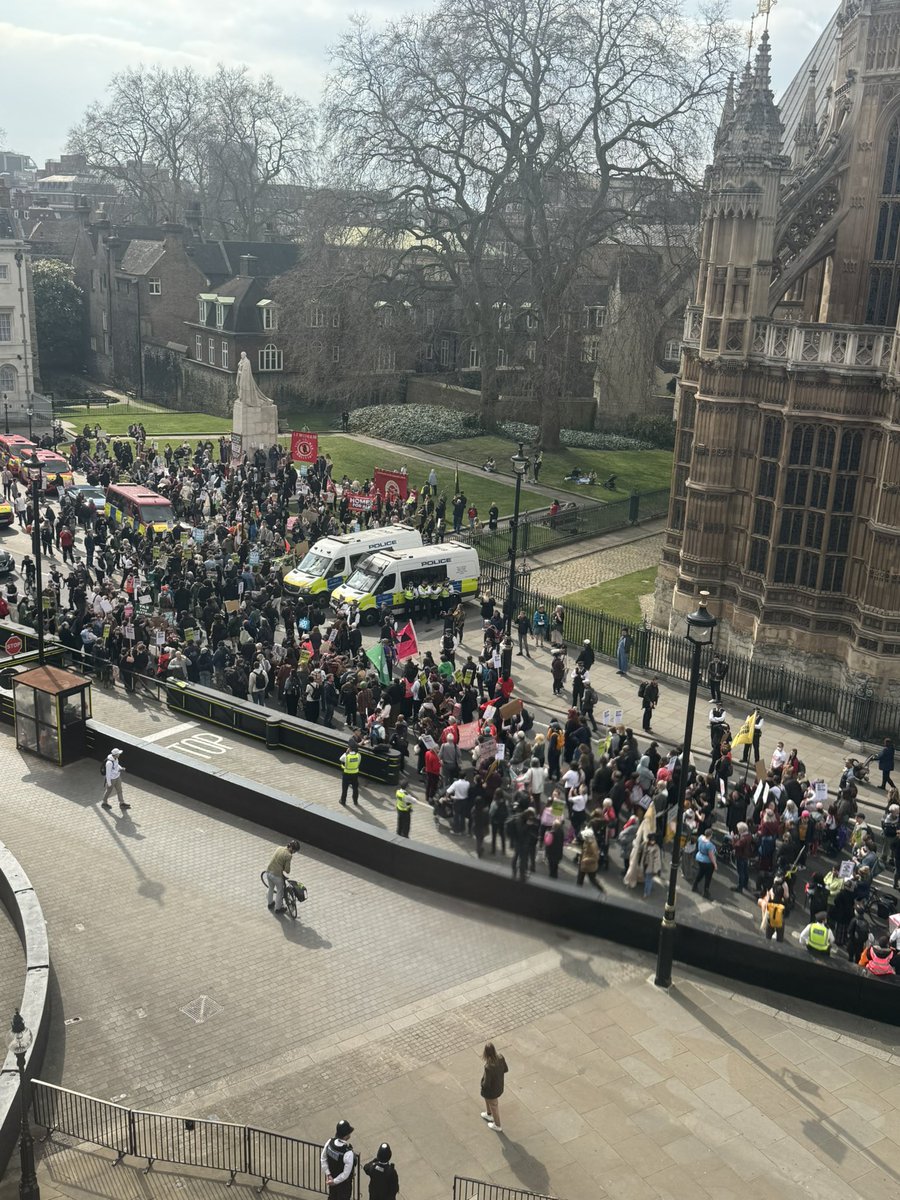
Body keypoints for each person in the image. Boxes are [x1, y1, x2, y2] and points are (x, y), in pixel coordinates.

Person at [321, 1120, 356, 1200]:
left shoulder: (330, 1142)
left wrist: (329, 1174)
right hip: (343, 1185)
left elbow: (323, 1159)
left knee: (332, 1197)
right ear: (346, 1135)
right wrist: (335, 1181)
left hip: (331, 1179)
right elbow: (345, 1174)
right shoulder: (348, 1153)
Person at [479, 1042, 508, 1132]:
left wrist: (482, 1084)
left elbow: (486, 1084)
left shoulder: (488, 1067)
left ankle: (497, 1125)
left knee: (494, 1106)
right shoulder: (500, 1057)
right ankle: (488, 1114)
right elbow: (506, 1069)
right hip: (499, 1086)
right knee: (490, 1102)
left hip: (491, 1091)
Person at [265, 839, 300, 913]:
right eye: (294, 850)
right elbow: (287, 870)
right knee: (280, 892)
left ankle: (270, 903)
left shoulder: (279, 848)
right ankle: (278, 908)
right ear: (291, 848)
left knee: (270, 888)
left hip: (268, 871)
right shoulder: (288, 855)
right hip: (276, 875)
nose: (294, 852)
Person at [100, 747, 131, 812]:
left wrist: (121, 768)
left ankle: (122, 803)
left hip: (117, 777)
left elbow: (117, 765)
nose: (119, 754)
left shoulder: (116, 759)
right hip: (111, 779)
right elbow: (108, 774)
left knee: (120, 790)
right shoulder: (109, 763)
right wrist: (109, 783)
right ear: (115, 754)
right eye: (118, 753)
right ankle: (104, 802)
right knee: (108, 791)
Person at [691, 831, 717, 900]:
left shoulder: (700, 838)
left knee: (700, 873)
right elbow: (711, 856)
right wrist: (715, 864)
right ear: (710, 835)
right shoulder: (710, 845)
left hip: (699, 858)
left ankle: (694, 885)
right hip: (707, 862)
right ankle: (706, 892)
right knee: (708, 877)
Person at [339, 740, 362, 806]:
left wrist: (346, 752)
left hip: (346, 774)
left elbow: (341, 759)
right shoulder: (358, 755)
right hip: (355, 774)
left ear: (350, 748)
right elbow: (358, 763)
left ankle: (343, 801)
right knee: (355, 788)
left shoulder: (347, 756)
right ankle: (355, 801)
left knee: (345, 789)